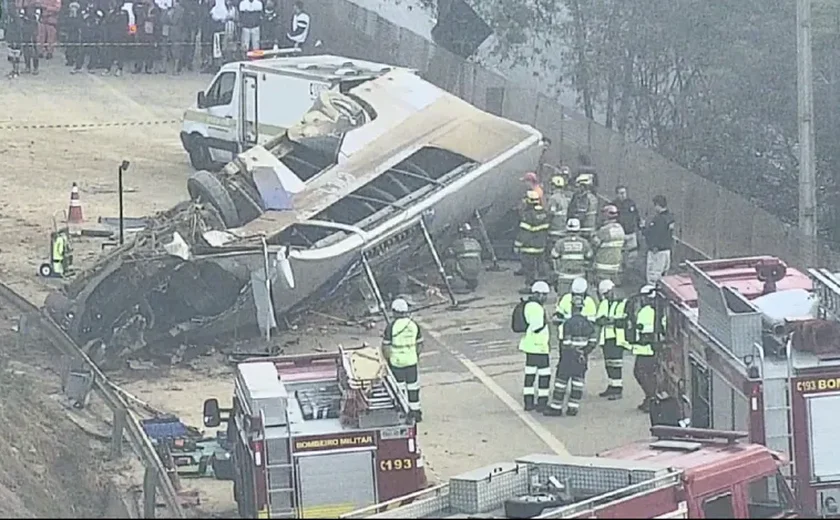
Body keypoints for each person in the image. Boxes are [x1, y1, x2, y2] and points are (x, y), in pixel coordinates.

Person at [544, 299, 596, 416]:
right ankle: (573, 408)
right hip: (582, 359)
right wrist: (583, 352)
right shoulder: (588, 323)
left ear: (573, 307)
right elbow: (593, 342)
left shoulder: (568, 323)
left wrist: (574, 351)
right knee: (578, 383)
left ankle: (556, 407)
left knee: (561, 383)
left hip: (568, 358)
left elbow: (566, 342)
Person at [381, 298, 424, 422]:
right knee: (413, 387)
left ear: (394, 312)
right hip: (411, 361)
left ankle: (402, 411)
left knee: (399, 389)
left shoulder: (391, 327)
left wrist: (387, 359)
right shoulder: (414, 325)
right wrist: (414, 355)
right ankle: (416, 412)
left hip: (396, 363)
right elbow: (420, 344)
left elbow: (386, 347)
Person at [630, 285, 666, 412]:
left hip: (649, 348)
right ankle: (651, 398)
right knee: (648, 374)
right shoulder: (655, 310)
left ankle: (651, 399)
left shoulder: (650, 311)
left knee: (642, 373)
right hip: (648, 347)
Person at [518, 281, 552, 412]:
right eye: (544, 295)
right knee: (544, 375)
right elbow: (537, 327)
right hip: (539, 347)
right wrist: (546, 321)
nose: (545, 297)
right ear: (538, 294)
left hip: (530, 345)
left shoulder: (528, 305)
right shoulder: (536, 308)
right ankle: (542, 402)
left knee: (530, 374)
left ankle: (528, 402)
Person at [595, 279, 629, 400]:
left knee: (616, 364)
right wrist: (604, 320)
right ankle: (611, 386)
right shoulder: (604, 304)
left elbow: (625, 319)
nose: (606, 296)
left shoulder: (623, 303)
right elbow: (598, 319)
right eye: (604, 294)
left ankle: (617, 389)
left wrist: (611, 320)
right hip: (606, 337)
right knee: (608, 363)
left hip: (617, 337)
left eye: (607, 293)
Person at [514, 190, 549, 293]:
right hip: (540, 246)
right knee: (540, 266)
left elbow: (524, 233)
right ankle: (542, 284)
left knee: (529, 268)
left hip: (529, 247)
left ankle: (530, 286)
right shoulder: (543, 213)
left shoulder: (528, 215)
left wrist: (517, 245)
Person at [550, 218, 592, 296]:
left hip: (564, 275)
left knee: (563, 298)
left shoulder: (560, 243)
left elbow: (554, 257)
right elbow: (589, 256)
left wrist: (556, 272)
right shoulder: (584, 242)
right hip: (579, 275)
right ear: (579, 230)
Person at [643, 194, 675, 285]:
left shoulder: (659, 219)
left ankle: (652, 295)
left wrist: (644, 229)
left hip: (657, 251)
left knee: (653, 274)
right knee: (664, 276)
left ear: (657, 205)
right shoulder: (670, 217)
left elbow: (654, 234)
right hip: (667, 250)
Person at [591, 205, 625, 286]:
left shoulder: (604, 230)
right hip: (615, 266)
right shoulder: (620, 229)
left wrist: (592, 235)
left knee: (602, 288)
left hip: (603, 266)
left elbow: (594, 244)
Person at [444, 223, 483, 293]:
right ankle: (471, 280)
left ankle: (449, 282)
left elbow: (447, 253)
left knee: (448, 262)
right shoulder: (476, 242)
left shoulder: (458, 243)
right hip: (476, 270)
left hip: (465, 269)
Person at [612, 185, 641, 277]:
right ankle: (619, 273)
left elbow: (636, 216)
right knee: (619, 254)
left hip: (631, 233)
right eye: (620, 193)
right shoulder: (613, 205)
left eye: (624, 193)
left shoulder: (631, 203)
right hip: (620, 234)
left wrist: (639, 225)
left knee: (633, 254)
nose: (623, 195)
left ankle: (629, 273)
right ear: (617, 194)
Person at [546, 174, 571, 242]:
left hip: (554, 230)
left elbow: (550, 214)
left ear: (554, 186)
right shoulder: (564, 197)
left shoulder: (553, 198)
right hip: (563, 229)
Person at [21, 6, 40, 75]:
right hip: (25, 29)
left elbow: (36, 18)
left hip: (33, 29)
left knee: (34, 48)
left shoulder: (37, 6)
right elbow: (21, 16)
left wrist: (29, 19)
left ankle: (35, 67)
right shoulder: (24, 6)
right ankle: (27, 66)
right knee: (25, 48)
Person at [6, 8, 25, 78]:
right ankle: (14, 70)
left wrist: (15, 41)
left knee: (16, 58)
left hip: (16, 42)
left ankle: (16, 71)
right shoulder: (10, 22)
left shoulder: (17, 23)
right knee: (11, 58)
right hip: (11, 42)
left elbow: (19, 33)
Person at [63, 1, 83, 67]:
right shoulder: (68, 16)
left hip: (76, 33)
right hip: (69, 33)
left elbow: (79, 25)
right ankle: (69, 60)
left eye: (75, 7)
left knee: (76, 48)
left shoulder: (79, 17)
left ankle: (75, 59)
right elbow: (66, 24)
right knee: (69, 47)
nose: (73, 9)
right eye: (72, 7)